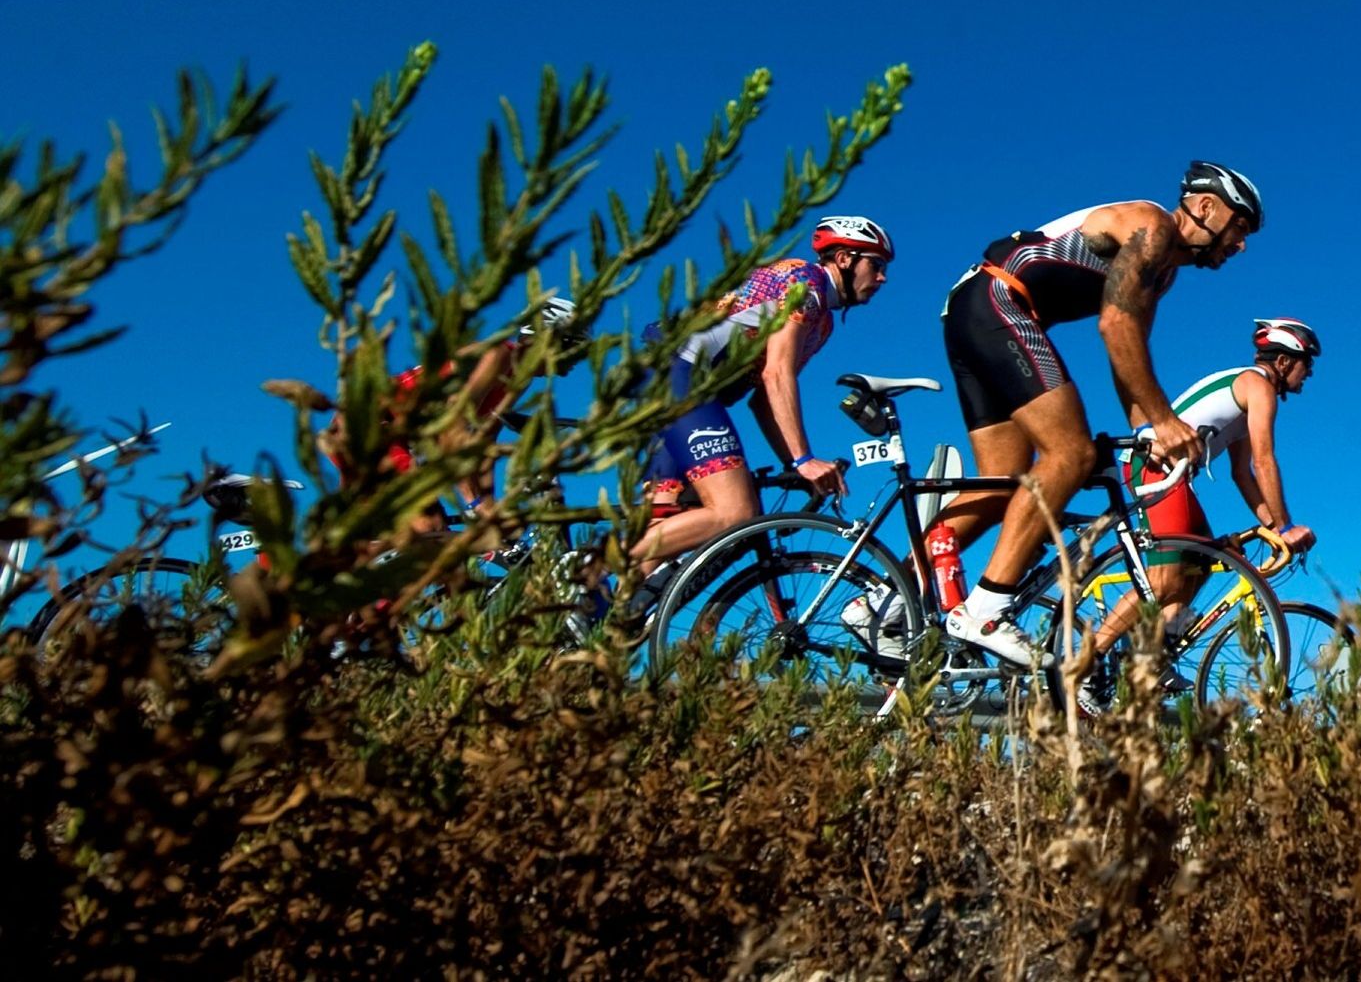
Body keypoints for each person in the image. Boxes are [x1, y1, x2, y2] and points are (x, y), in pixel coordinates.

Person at [929, 161, 1264, 667]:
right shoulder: (1152, 227)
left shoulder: (1164, 274)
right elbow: (1115, 326)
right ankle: (987, 610)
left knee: (1003, 482)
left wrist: (1147, 431)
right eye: (1239, 227)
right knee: (1071, 454)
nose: (1240, 246)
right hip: (1001, 302)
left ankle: (888, 602)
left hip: (974, 308)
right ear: (1204, 207)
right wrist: (1166, 422)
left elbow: (1131, 354)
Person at [1078, 317, 1320, 712]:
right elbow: (1264, 462)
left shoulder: (1247, 392)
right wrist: (1287, 526)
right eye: (1306, 363)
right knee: (1165, 581)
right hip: (1154, 468)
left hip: (1175, 475)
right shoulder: (1258, 386)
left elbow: (1242, 474)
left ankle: (1150, 657)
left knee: (1204, 562)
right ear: (1283, 361)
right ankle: (1086, 666)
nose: (1308, 373)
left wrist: (1274, 529)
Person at [629, 216, 893, 575]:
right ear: (845, 259)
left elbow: (765, 400)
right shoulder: (806, 284)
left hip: (668, 379)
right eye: (876, 265)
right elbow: (777, 375)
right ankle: (592, 565)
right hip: (680, 375)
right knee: (735, 512)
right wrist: (804, 460)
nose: (882, 278)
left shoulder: (823, 323)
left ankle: (589, 602)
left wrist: (794, 465)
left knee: (660, 539)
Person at [319, 295, 590, 535]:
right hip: (366, 426)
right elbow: (452, 429)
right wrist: (475, 503)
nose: (577, 361)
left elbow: (483, 446)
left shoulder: (521, 378)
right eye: (575, 349)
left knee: (430, 545)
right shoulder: (497, 356)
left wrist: (489, 506)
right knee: (430, 527)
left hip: (392, 435)